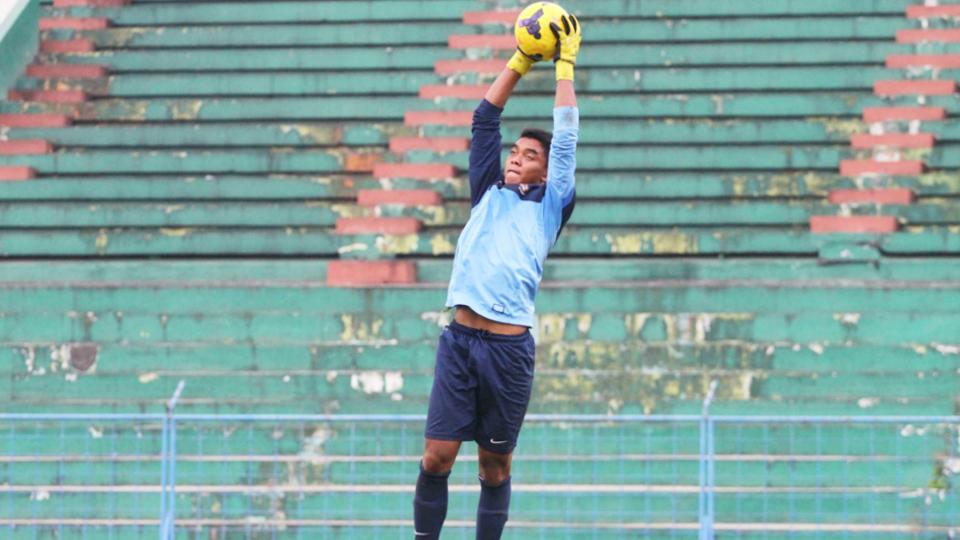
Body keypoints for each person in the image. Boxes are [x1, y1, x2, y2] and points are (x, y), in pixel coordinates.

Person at [412, 13, 582, 540]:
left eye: (529, 155)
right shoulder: (487, 190)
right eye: (516, 151)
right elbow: (485, 118)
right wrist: (520, 59)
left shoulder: (553, 204)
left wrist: (564, 65)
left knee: (495, 468)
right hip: (460, 340)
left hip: (508, 351)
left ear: (545, 170)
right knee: (437, 456)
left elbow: (568, 137)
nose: (516, 158)